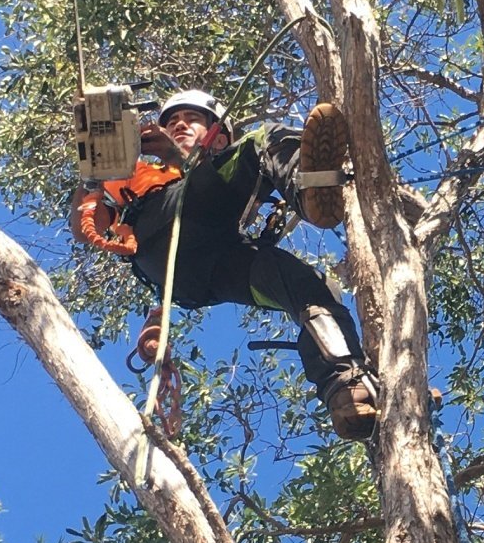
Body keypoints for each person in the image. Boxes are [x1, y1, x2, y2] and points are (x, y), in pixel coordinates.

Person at [72, 89, 379, 442]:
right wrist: (92, 174)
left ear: (218, 136)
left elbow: (212, 181)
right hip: (162, 227)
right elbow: (84, 228)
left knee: (311, 289)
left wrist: (179, 157)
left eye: (191, 119)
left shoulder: (213, 169)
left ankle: (346, 388)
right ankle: (308, 192)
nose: (179, 125)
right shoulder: (138, 172)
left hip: (207, 272)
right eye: (172, 122)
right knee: (262, 141)